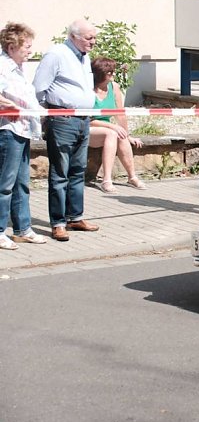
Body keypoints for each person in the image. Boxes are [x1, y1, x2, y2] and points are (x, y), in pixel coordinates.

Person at [33, 18, 100, 242]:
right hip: (62, 119)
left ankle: (74, 217)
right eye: (89, 38)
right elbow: (39, 88)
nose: (93, 42)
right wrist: (51, 113)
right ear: (73, 36)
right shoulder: (56, 54)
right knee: (60, 172)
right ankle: (58, 223)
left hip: (82, 119)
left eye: (94, 37)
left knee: (78, 170)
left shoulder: (83, 56)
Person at [0, 22, 47, 249]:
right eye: (26, 46)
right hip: (8, 131)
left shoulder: (17, 68)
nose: (30, 51)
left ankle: (22, 229)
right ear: (12, 47)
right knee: (5, 184)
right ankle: (0, 232)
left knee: (21, 183)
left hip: (23, 130)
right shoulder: (2, 66)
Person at [88, 57, 146, 192]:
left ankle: (132, 176)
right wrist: (113, 126)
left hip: (107, 127)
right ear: (101, 74)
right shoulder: (89, 89)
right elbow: (87, 118)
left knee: (120, 135)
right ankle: (106, 180)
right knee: (112, 132)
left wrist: (127, 134)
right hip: (90, 127)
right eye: (110, 72)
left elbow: (120, 114)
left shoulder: (114, 87)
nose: (113, 74)